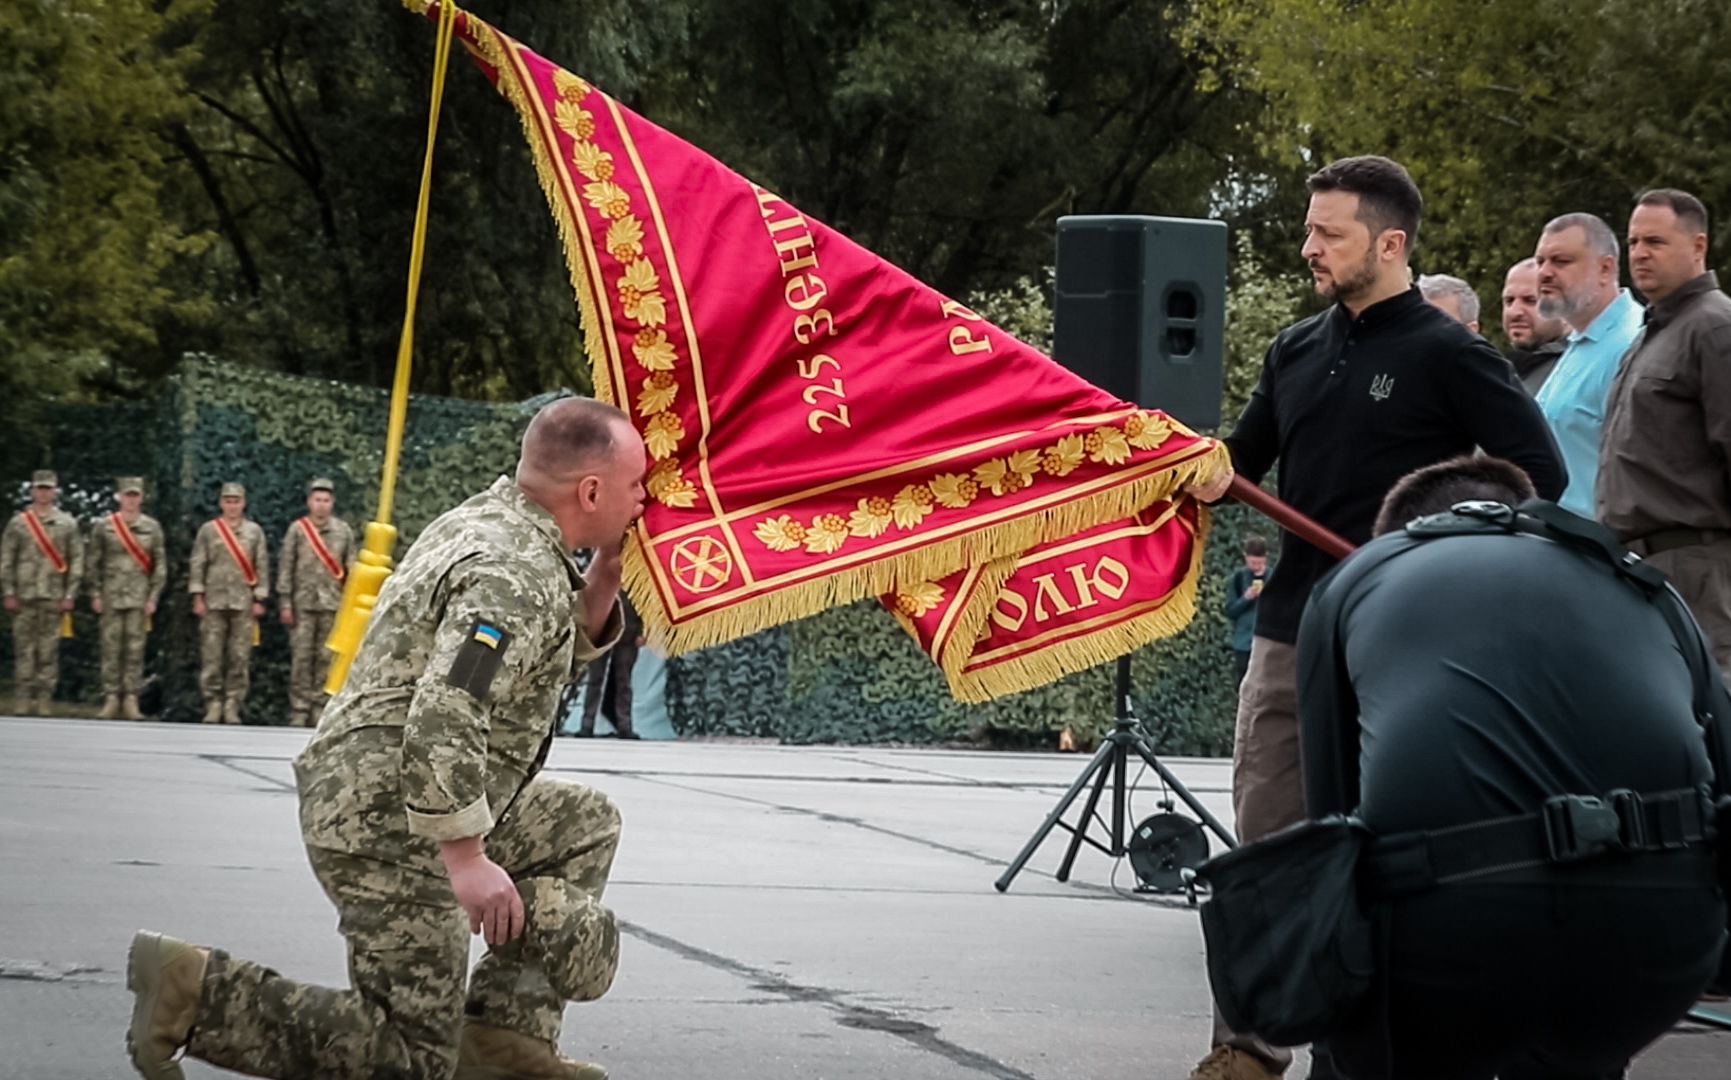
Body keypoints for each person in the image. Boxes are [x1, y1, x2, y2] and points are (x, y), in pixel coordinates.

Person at [125, 397, 645, 1080]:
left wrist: (605, 572)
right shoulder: (512, 573)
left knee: (581, 823)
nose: (645, 500)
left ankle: (500, 1040)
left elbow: (528, 652)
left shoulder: (496, 525)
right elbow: (448, 704)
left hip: (399, 785)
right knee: (408, 1058)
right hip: (386, 815)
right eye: (636, 485)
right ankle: (196, 996)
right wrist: (465, 859)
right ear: (590, 490)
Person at [1193, 154, 1565, 1080]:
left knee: (1389, 845)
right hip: (1287, 633)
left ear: (1389, 243)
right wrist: (1195, 462)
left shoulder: (1451, 355)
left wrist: (1434, 548)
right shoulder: (1292, 347)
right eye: (1309, 228)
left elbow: (1536, 477)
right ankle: (1246, 1047)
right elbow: (1241, 457)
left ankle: (1367, 1051)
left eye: (1329, 232)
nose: (1308, 245)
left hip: (1401, 641)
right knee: (1269, 838)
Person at [1298, 456, 1726, 1079]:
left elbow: (1330, 830)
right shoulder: (1643, 585)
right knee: (1585, 1031)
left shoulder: (1357, 580)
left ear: (1395, 535)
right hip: (1658, 949)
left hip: (1446, 943)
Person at [1599, 187, 1731, 679]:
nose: (1639, 253)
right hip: (1639, 565)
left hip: (1697, 565)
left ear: (1698, 246)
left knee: (1714, 707)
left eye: (1654, 241)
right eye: (1633, 242)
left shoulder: (1715, 328)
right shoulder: (1651, 334)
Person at [1531, 213, 1644, 518]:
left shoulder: (1631, 344)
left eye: (1561, 261)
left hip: (1605, 552)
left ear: (1605, 268)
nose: (1544, 272)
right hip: (1563, 547)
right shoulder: (1581, 340)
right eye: (1540, 261)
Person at [1, 470, 84, 716]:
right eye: (40, 488)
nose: (44, 493)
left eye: (48, 488)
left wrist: (70, 594)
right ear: (32, 491)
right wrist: (8, 591)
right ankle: (23, 699)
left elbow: (76, 560)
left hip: (53, 596)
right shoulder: (18, 523)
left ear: (55, 491)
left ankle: (44, 699)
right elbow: (7, 559)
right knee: (24, 649)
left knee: (48, 651)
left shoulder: (67, 523)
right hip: (24, 594)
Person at [86, 477, 168, 720]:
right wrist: (95, 593)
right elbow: (93, 562)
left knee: (135, 650)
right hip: (111, 595)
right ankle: (111, 698)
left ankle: (131, 699)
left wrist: (153, 596)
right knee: (110, 648)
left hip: (138, 597)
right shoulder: (104, 526)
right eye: (127, 495)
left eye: (135, 495)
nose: (131, 500)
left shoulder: (152, 527)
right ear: (119, 497)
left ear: (141, 497)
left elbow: (159, 565)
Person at [189, 482, 269, 724]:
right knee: (211, 655)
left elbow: (261, 565)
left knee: (239, 657)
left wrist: (259, 597)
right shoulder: (209, 530)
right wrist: (197, 595)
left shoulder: (254, 532)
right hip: (213, 601)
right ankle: (213, 703)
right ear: (221, 503)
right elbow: (198, 563)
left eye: (236, 501)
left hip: (243, 602)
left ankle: (232, 704)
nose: (232, 505)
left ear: (243, 503)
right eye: (228, 501)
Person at [277, 478, 355, 727]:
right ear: (309, 502)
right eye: (317, 500)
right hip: (302, 604)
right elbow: (286, 567)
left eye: (326, 500)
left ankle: (320, 709)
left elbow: (351, 569)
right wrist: (285, 603)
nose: (321, 505)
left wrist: (351, 604)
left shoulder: (343, 531)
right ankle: (298, 710)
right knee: (301, 658)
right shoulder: (298, 530)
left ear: (332, 503)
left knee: (326, 658)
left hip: (332, 604)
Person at [576, 594, 642, 739]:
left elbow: (645, 603)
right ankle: (587, 724)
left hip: (628, 634)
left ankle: (625, 726)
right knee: (595, 679)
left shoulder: (637, 576)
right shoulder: (602, 572)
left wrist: (643, 632)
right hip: (601, 631)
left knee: (623, 681)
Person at [1500, 257, 1568, 394]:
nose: (1515, 312)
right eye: (1509, 301)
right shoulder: (1498, 371)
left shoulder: (1578, 369)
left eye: (1530, 301)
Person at [1222, 536, 1270, 687]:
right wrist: (1246, 598)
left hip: (1266, 641)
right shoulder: (1238, 578)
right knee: (1243, 685)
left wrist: (1266, 596)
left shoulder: (1273, 577)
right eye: (1252, 562)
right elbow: (1230, 611)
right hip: (1243, 643)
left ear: (1265, 559)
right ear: (1246, 557)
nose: (1255, 566)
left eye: (1259, 562)